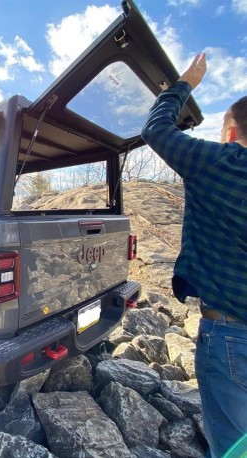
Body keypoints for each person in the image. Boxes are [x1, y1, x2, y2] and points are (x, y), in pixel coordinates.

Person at [141, 53, 247, 457]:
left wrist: (184, 83)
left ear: (232, 132)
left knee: (233, 448)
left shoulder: (224, 162)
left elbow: (156, 130)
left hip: (231, 337)